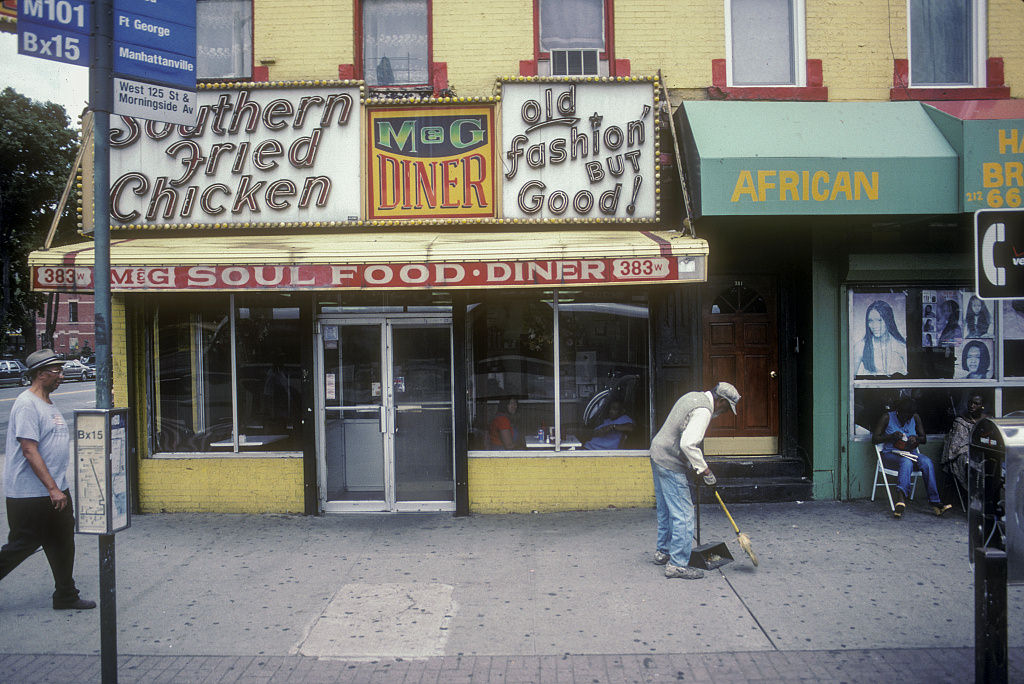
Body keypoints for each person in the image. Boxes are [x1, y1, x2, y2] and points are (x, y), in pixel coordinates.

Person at [1, 350, 95, 610]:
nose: (61, 376)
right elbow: (29, 449)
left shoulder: (47, 403)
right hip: (31, 494)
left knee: (62, 542)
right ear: (40, 374)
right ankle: (65, 594)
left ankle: (65, 595)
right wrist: (53, 488)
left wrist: (58, 488)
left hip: (54, 491)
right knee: (21, 546)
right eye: (56, 371)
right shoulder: (26, 404)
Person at [648, 381, 741, 579]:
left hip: (657, 453)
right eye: (726, 409)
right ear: (721, 401)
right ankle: (677, 565)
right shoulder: (704, 410)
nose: (723, 413)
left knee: (666, 508)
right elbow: (688, 443)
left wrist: (692, 466)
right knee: (684, 514)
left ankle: (662, 552)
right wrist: (705, 471)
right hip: (670, 461)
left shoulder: (692, 396)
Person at [872, 396, 952, 519]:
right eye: (904, 416)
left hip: (909, 453)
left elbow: (923, 439)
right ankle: (901, 500)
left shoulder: (915, 417)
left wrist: (916, 438)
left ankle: (935, 502)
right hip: (890, 454)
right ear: (898, 411)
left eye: (909, 416)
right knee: (906, 462)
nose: (906, 419)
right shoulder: (887, 417)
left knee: (926, 462)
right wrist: (890, 437)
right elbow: (875, 439)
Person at [941, 393, 986, 495]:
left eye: (976, 403)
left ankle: (989, 495)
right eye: (970, 402)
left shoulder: (987, 421)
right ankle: (975, 495)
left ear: (982, 406)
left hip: (985, 452)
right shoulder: (961, 421)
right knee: (972, 464)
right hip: (963, 453)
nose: (972, 406)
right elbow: (956, 446)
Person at [853, 300, 907, 376]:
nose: (874, 325)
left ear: (888, 320)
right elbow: (850, 379)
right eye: (870, 321)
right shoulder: (860, 346)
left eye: (879, 320)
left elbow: (913, 378)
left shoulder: (901, 346)